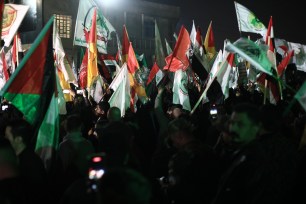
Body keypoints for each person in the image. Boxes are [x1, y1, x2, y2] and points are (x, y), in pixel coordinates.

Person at [4, 119, 49, 204]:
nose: (4, 138)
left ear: (18, 139)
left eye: (7, 136)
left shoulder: (31, 164)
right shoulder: (16, 157)